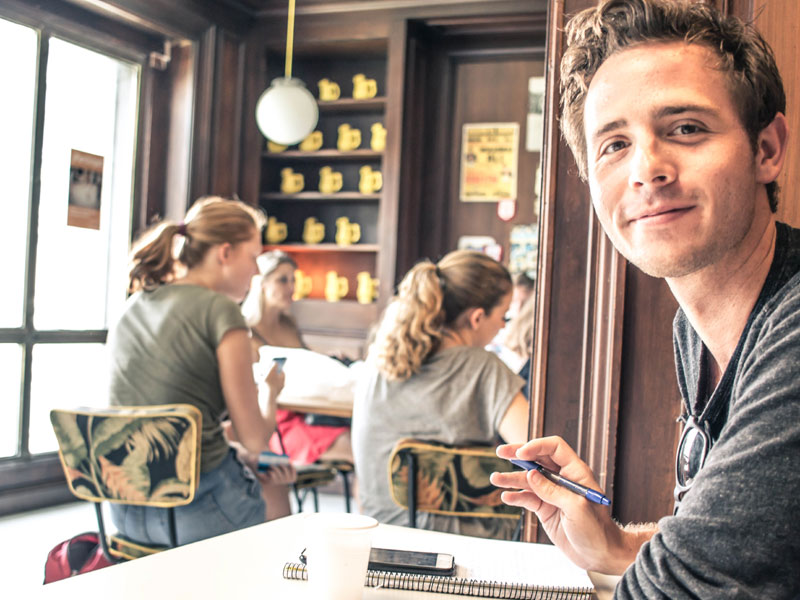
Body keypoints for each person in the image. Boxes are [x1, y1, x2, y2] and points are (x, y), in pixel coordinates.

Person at [491, 0, 799, 597]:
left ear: (767, 149)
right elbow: (744, 551)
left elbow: (686, 587)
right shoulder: (695, 330)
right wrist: (612, 545)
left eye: (686, 128)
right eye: (613, 145)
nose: (647, 170)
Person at [107, 196, 295, 546]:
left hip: (124, 511)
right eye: (253, 257)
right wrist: (269, 391)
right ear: (225, 253)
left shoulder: (134, 304)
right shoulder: (221, 311)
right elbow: (254, 439)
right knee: (277, 491)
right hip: (197, 512)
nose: (256, 272)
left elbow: (159, 416)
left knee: (246, 466)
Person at [352, 250, 530, 539]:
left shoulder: (378, 363)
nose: (503, 326)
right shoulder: (483, 369)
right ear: (477, 318)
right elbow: (536, 452)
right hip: (465, 548)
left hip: (380, 536)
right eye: (502, 316)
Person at [240, 250, 353, 465]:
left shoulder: (290, 325)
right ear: (261, 284)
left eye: (293, 280)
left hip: (311, 412)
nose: (291, 288)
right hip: (276, 424)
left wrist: (329, 360)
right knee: (355, 445)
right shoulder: (247, 334)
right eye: (283, 280)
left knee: (364, 435)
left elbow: (306, 365)